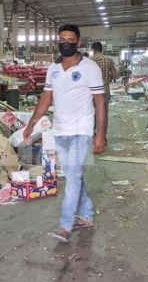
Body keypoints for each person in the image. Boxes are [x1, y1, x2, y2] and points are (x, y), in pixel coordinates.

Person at [23, 24, 107, 244]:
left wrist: (100, 134)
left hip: (81, 130)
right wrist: (32, 122)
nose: (66, 43)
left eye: (70, 40)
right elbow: (46, 98)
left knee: (71, 176)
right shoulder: (53, 68)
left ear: (78, 43)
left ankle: (65, 224)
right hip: (60, 130)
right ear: (57, 41)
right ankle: (86, 215)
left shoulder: (90, 68)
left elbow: (100, 102)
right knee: (73, 174)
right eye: (62, 40)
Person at [90, 42, 119, 135]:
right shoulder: (108, 60)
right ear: (102, 49)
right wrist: (108, 75)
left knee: (92, 113)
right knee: (103, 114)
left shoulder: (89, 61)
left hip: (92, 92)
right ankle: (102, 136)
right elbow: (116, 76)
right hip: (105, 91)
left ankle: (92, 133)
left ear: (93, 50)